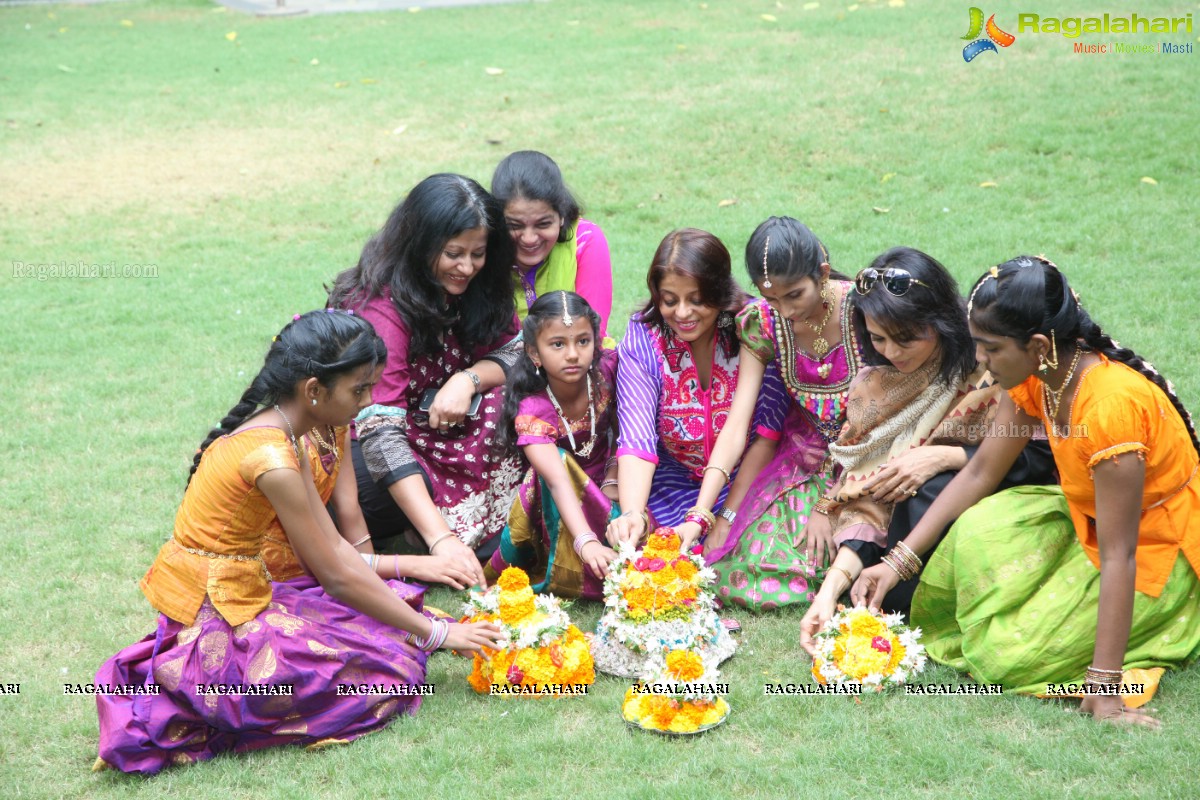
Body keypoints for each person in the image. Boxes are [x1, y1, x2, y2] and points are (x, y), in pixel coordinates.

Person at [94, 311, 503, 774]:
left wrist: (416, 596)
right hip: (217, 617)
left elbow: (337, 552)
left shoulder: (289, 436)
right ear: (314, 390)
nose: (368, 401)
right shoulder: (274, 458)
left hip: (252, 595)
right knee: (387, 674)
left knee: (395, 637)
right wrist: (438, 635)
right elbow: (333, 574)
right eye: (359, 390)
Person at [855, 255, 1200, 727]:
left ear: (1038, 345)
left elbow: (1120, 555)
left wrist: (1104, 692)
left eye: (991, 348)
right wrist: (894, 564)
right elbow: (979, 475)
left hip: (1155, 545)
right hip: (1085, 515)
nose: (980, 360)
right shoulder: (1037, 376)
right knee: (975, 532)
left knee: (1009, 655)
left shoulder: (1112, 407)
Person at [797, 248, 1055, 642]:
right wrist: (828, 593)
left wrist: (943, 456)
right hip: (911, 533)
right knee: (908, 494)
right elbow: (867, 495)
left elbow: (1041, 455)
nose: (893, 353)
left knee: (928, 490)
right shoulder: (875, 387)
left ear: (941, 321)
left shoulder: (994, 362)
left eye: (907, 338)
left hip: (1004, 499)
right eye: (879, 339)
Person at [328, 174, 525, 584]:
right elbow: (378, 431)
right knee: (365, 487)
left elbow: (520, 349)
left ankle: (481, 524)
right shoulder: (381, 306)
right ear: (421, 244)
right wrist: (443, 541)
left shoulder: (481, 285)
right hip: (368, 447)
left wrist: (467, 380)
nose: (467, 267)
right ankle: (437, 530)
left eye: (478, 253)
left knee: (516, 402)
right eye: (453, 253)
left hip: (445, 426)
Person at [688, 217, 865, 612]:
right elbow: (737, 424)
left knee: (845, 549)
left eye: (795, 295)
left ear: (821, 273)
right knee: (752, 568)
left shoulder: (864, 311)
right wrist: (704, 511)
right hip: (807, 463)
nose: (785, 310)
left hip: (871, 462)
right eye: (773, 299)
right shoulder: (762, 323)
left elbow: (888, 420)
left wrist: (830, 506)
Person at [606, 228, 787, 550]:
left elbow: (766, 433)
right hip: (670, 485)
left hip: (748, 481)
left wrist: (725, 516)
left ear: (719, 292)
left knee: (754, 551)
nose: (683, 313)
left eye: (697, 300)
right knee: (630, 536)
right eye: (669, 300)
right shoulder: (643, 336)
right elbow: (637, 436)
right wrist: (634, 513)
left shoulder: (755, 324)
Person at [487, 291, 620, 598]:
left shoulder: (607, 372)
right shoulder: (533, 408)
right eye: (558, 344)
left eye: (582, 341)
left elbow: (627, 431)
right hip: (556, 507)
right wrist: (586, 541)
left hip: (612, 486)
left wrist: (613, 480)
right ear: (535, 353)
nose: (573, 354)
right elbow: (557, 480)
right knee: (558, 460)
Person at [492, 151, 613, 335]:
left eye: (543, 224)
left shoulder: (585, 240)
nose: (529, 238)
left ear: (562, 215)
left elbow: (592, 333)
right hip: (500, 361)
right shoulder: (483, 250)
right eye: (515, 226)